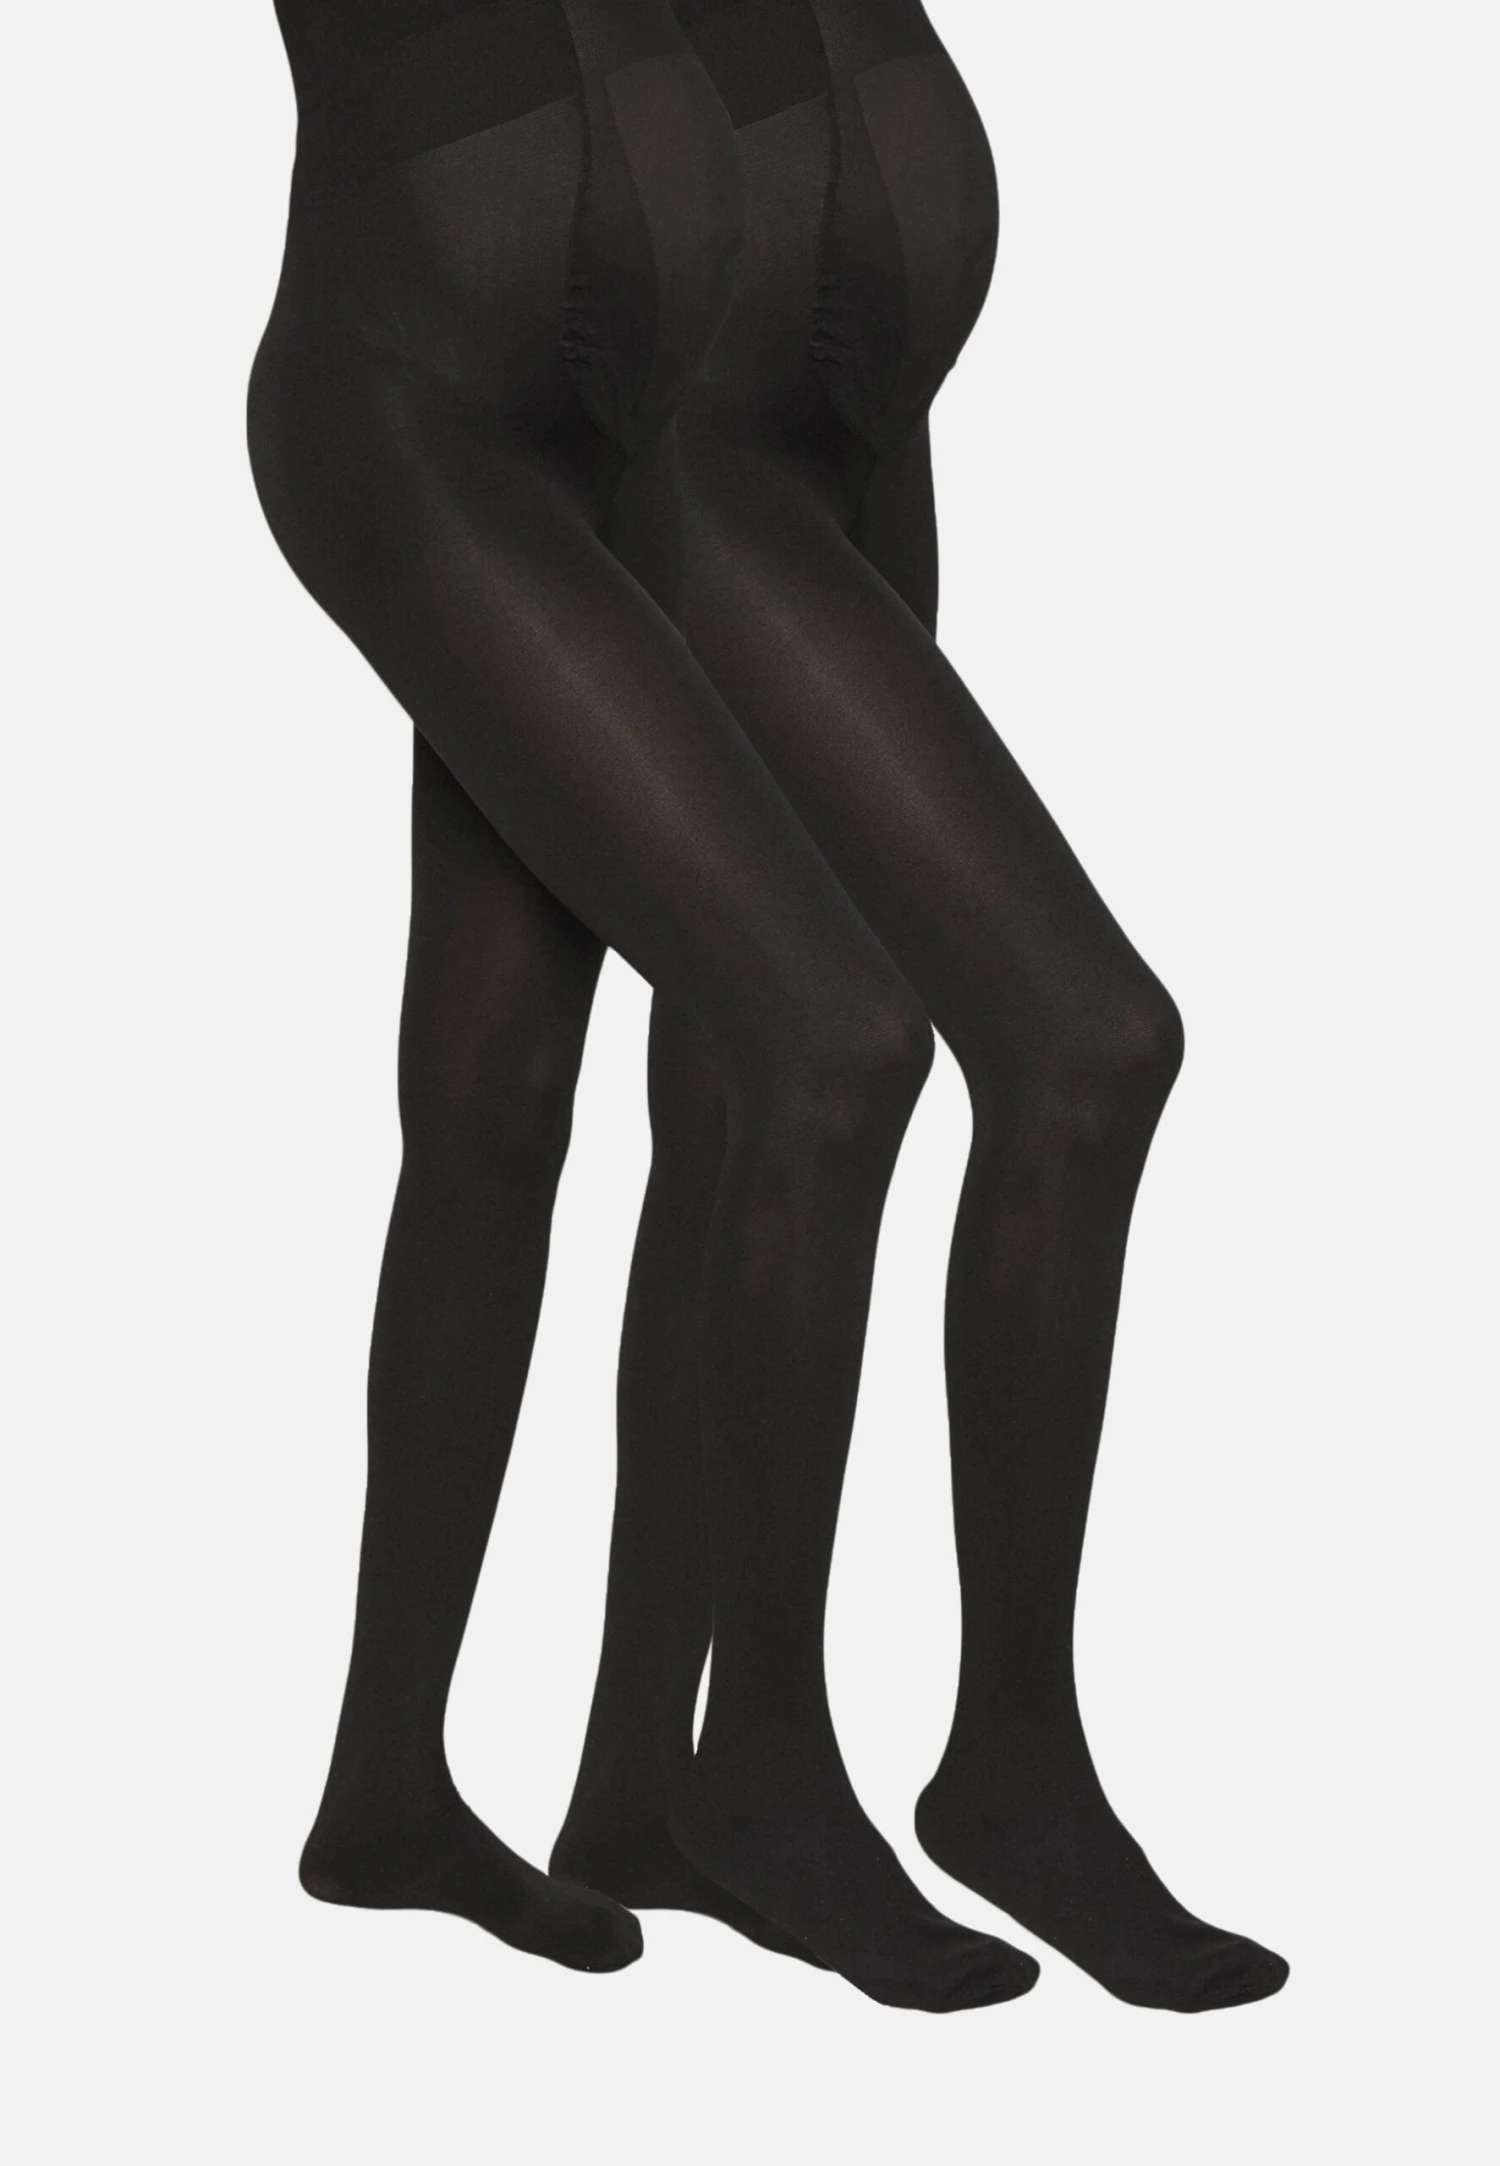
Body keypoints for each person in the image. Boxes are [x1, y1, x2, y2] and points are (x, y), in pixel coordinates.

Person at [250, 0, 1036, 2009]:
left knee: (542, 1085)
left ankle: (579, 1787)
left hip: (679, 403)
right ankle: (692, 1776)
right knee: (808, 1041)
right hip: (424, 403)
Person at [552, 0, 1288, 2014]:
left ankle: (645, 1780)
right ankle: (838, 1765)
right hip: (690, 432)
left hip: (852, 411)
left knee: (739, 1100)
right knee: (1074, 1041)